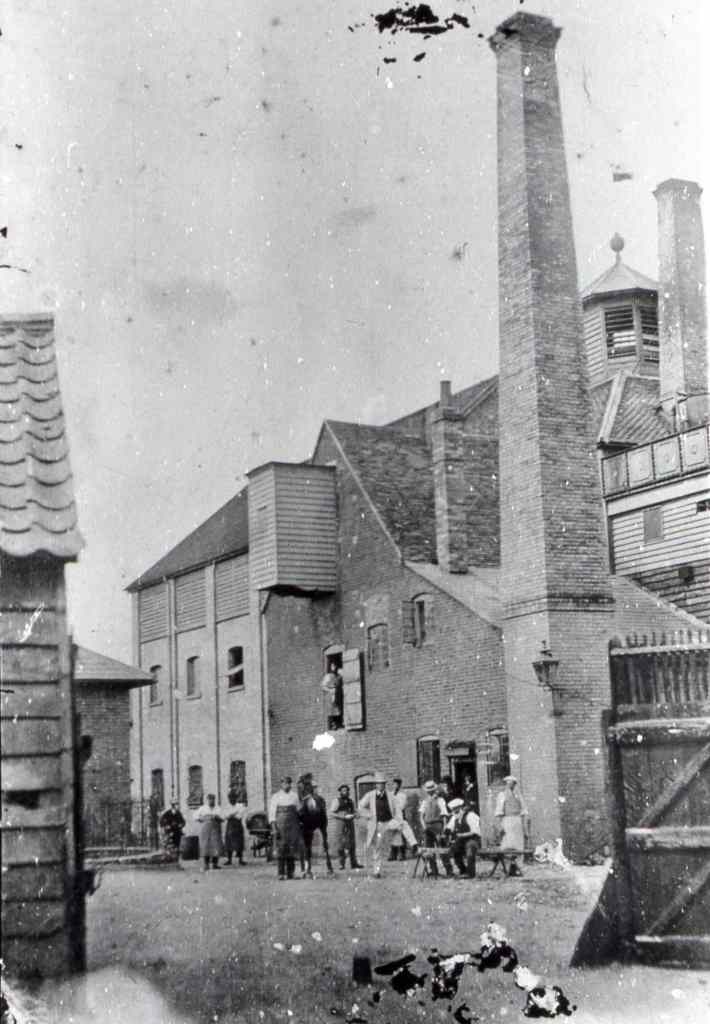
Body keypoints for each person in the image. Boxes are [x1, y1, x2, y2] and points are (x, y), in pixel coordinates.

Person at [357, 771, 402, 878]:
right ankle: (376, 871)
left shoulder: (390, 796)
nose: (381, 785)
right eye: (379, 783)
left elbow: (397, 809)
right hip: (376, 824)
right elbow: (360, 806)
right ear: (376, 785)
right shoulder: (370, 795)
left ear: (385, 784)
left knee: (385, 847)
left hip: (388, 824)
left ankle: (380, 868)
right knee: (377, 847)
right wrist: (369, 815)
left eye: (382, 783)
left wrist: (398, 821)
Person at [268, 776, 303, 880]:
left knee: (292, 848)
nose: (287, 785)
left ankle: (291, 873)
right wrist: (274, 827)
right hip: (281, 825)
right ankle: (281, 873)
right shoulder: (276, 796)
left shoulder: (294, 796)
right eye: (285, 783)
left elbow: (299, 810)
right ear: (281, 784)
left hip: (293, 825)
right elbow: (272, 814)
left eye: (289, 783)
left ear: (291, 784)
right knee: (281, 848)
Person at [495, 775, 529, 876]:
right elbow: (499, 811)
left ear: (515, 784)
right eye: (508, 783)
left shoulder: (518, 795)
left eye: (513, 783)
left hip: (517, 821)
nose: (511, 786)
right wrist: (500, 826)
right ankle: (508, 867)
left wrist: (524, 826)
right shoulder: (502, 795)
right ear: (506, 784)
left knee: (518, 844)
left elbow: (524, 810)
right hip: (507, 821)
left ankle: (518, 867)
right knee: (508, 844)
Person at [441, 797, 481, 878]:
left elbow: (475, 832)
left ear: (461, 808)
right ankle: (463, 870)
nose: (455, 812)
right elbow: (449, 828)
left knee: (470, 848)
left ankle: (470, 873)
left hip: (473, 839)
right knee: (454, 850)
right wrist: (444, 835)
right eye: (453, 810)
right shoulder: (455, 818)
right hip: (461, 840)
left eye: (457, 810)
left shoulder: (471, 816)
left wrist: (462, 835)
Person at [300, 782, 334, 877]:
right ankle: (307, 869)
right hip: (308, 825)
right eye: (314, 788)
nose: (315, 790)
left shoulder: (320, 799)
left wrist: (323, 826)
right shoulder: (305, 800)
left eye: (315, 788)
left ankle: (329, 867)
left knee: (324, 845)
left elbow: (323, 812)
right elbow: (302, 813)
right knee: (307, 847)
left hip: (319, 824)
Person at [418, 780, 449, 878]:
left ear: (435, 790)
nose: (430, 792)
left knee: (442, 849)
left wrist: (444, 828)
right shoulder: (424, 801)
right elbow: (421, 816)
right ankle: (434, 871)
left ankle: (449, 870)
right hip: (428, 826)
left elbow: (444, 815)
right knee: (429, 849)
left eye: (432, 790)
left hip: (438, 825)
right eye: (429, 791)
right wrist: (424, 827)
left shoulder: (440, 800)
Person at [330, 783, 362, 870]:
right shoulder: (336, 801)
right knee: (340, 844)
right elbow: (331, 813)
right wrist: (343, 816)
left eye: (347, 790)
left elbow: (355, 811)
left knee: (352, 843)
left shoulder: (351, 801)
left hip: (350, 824)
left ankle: (354, 863)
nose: (346, 792)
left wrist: (356, 814)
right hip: (341, 824)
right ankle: (341, 864)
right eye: (343, 791)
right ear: (340, 792)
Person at [388, 777, 418, 860]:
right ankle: (393, 854)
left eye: (397, 784)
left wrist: (394, 805)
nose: (395, 786)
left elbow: (401, 806)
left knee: (402, 835)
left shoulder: (402, 795)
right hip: (392, 817)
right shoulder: (390, 794)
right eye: (394, 784)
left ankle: (402, 854)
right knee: (393, 835)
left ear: (399, 785)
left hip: (400, 817)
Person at [194, 793, 224, 870]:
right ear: (207, 800)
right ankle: (206, 864)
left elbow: (223, 818)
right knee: (206, 845)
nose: (211, 801)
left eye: (213, 799)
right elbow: (195, 816)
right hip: (205, 830)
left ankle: (215, 864)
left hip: (215, 829)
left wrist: (217, 817)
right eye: (210, 799)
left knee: (216, 845)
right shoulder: (203, 808)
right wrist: (202, 819)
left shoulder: (218, 808)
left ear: (214, 800)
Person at [224, 789, 247, 866]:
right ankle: (229, 860)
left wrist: (231, 815)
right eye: (230, 798)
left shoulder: (240, 806)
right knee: (229, 842)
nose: (232, 799)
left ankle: (241, 860)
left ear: (236, 798)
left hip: (238, 825)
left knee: (239, 842)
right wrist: (234, 813)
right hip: (230, 825)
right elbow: (226, 816)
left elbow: (239, 816)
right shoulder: (227, 806)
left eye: (233, 797)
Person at [320, 661, 344, 730]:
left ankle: (339, 723)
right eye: (333, 666)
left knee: (339, 710)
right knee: (332, 710)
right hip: (331, 696)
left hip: (338, 696)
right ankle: (333, 724)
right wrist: (330, 690)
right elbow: (323, 686)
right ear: (330, 667)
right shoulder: (328, 676)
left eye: (335, 666)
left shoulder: (338, 676)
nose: (334, 667)